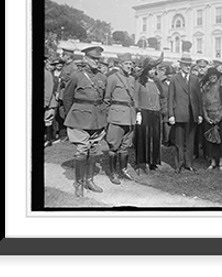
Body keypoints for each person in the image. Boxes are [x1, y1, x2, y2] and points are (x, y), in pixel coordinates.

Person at [62, 46, 108, 197]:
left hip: (96, 119)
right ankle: (79, 183)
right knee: (81, 152)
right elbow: (67, 97)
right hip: (79, 118)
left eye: (98, 59)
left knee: (94, 151)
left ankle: (89, 180)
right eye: (93, 59)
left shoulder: (102, 77)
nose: (96, 61)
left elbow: (104, 99)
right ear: (85, 59)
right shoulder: (76, 76)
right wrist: (72, 115)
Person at [104, 52, 137, 185]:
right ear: (120, 64)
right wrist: (109, 116)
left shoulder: (132, 79)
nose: (129, 66)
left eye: (131, 64)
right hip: (116, 117)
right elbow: (106, 99)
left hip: (129, 116)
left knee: (125, 146)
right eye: (127, 64)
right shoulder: (113, 78)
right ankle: (113, 173)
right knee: (113, 147)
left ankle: (123, 170)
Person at [167, 54, 203, 173]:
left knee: (191, 140)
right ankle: (179, 164)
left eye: (189, 65)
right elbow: (170, 98)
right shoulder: (174, 79)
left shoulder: (195, 79)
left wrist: (200, 114)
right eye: (185, 65)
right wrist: (171, 115)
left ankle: (189, 164)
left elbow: (199, 98)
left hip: (192, 114)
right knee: (179, 141)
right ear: (181, 65)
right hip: (179, 113)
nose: (188, 67)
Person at [133, 54, 164, 174]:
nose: (152, 71)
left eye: (154, 69)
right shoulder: (140, 81)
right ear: (146, 70)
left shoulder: (157, 82)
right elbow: (135, 97)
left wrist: (162, 109)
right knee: (142, 138)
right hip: (144, 113)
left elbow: (162, 97)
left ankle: (153, 162)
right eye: (150, 69)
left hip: (155, 113)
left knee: (155, 138)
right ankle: (141, 162)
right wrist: (138, 111)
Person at [201, 67, 222, 171]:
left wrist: (219, 117)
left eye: (214, 75)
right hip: (210, 116)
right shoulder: (206, 88)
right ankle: (212, 161)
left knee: (221, 139)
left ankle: (221, 161)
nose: (212, 77)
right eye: (210, 75)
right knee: (210, 139)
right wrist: (206, 116)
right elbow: (203, 104)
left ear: (218, 76)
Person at [44, 56, 59, 148]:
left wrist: (46, 102)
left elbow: (48, 89)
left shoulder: (47, 74)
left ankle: (48, 139)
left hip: (49, 102)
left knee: (48, 120)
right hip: (47, 101)